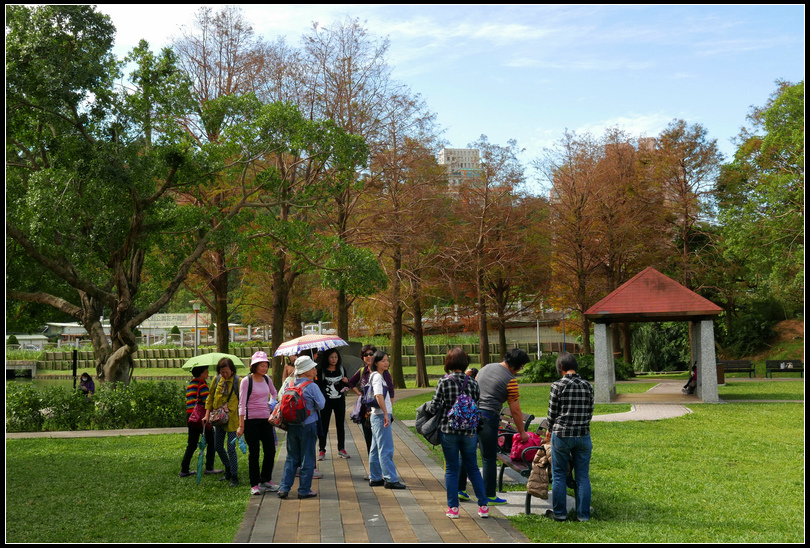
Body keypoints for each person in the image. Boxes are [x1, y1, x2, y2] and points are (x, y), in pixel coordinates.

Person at [428, 348, 489, 519]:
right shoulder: (473, 383)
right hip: (469, 431)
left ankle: (453, 508)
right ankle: (483, 506)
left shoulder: (444, 381)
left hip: (449, 430)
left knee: (452, 470)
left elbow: (434, 407)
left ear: (448, 362)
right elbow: (477, 404)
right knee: (473, 469)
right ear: (465, 363)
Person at [471, 348, 532, 505]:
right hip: (488, 418)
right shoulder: (510, 380)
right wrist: (522, 432)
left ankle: (460, 490)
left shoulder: (485, 368)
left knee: (468, 454)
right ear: (517, 365)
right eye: (522, 366)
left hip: (472, 416)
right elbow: (516, 411)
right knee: (488, 458)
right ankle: (489, 495)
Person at [545, 352, 594, 522]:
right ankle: (583, 515)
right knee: (582, 475)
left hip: (561, 435)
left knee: (559, 474)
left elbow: (552, 413)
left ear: (561, 368)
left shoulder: (557, 385)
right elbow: (590, 412)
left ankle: (560, 514)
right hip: (583, 435)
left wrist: (549, 428)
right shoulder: (588, 386)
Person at [278, 356, 326, 499]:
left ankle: (284, 488)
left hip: (291, 426)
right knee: (307, 458)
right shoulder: (312, 386)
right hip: (308, 425)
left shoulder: (289, 383)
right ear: (305, 371)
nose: (315, 370)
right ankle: (304, 490)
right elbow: (322, 405)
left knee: (291, 457)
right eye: (312, 368)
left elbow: (280, 399)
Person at [237, 351, 279, 495]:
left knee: (270, 450)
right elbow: (241, 404)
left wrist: (271, 403)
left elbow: (275, 393)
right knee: (254, 453)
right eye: (261, 365)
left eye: (266, 365)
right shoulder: (246, 381)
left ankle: (266, 479)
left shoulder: (267, 379)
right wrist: (241, 425)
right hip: (250, 422)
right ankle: (254, 484)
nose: (264, 368)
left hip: (266, 420)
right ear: (254, 366)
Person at [348, 344, 395, 468]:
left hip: (379, 412)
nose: (368, 356)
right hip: (367, 411)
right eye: (365, 355)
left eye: (371, 354)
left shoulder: (383, 373)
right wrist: (359, 394)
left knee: (379, 444)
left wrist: (388, 409)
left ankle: (377, 473)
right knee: (372, 442)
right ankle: (376, 473)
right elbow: (351, 382)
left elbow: (391, 392)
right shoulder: (364, 371)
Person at [367, 350, 406, 490]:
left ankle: (375, 477)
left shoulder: (377, 376)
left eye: (387, 360)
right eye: (383, 360)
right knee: (386, 448)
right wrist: (385, 413)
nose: (386, 363)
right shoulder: (377, 377)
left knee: (375, 447)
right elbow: (378, 395)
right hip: (379, 415)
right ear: (376, 362)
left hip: (376, 415)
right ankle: (390, 479)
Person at [180, 366, 222, 478]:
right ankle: (209, 467)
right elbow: (207, 402)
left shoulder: (191, 384)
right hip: (201, 417)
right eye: (206, 371)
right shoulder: (202, 385)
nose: (207, 373)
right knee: (211, 441)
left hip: (190, 416)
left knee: (192, 444)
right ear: (201, 373)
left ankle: (184, 469)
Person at [204, 357, 240, 487]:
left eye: (226, 372)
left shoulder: (238, 381)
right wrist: (206, 415)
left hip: (233, 421)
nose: (224, 374)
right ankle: (228, 469)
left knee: (231, 449)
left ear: (232, 370)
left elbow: (243, 402)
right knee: (217, 446)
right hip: (218, 420)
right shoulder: (217, 380)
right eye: (222, 372)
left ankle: (234, 476)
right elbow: (210, 397)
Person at [316, 348, 351, 460]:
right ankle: (322, 450)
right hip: (326, 402)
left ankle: (341, 448)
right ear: (327, 358)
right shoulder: (321, 371)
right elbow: (318, 386)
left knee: (340, 425)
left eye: (336, 357)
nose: (334, 359)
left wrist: (346, 382)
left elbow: (346, 387)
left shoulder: (341, 369)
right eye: (331, 357)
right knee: (324, 425)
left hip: (339, 401)